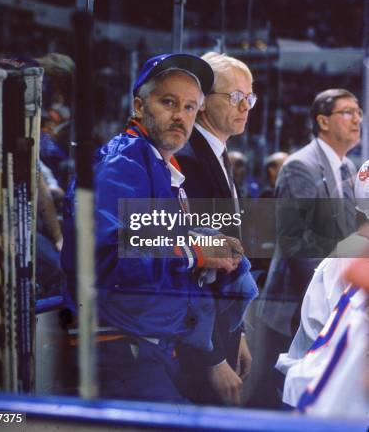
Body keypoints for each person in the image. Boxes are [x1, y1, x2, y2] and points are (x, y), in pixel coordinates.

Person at [61, 52, 258, 403]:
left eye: (189, 107)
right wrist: (197, 250)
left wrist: (204, 246)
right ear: (139, 105)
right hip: (121, 348)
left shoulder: (157, 165)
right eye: (168, 102)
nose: (179, 116)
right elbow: (114, 248)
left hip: (150, 347)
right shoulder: (122, 163)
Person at [251, 88, 361, 408]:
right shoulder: (300, 166)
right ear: (323, 121)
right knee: (275, 397)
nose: (357, 119)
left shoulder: (348, 168)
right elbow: (296, 242)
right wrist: (332, 293)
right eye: (348, 112)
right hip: (294, 306)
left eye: (359, 113)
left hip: (327, 304)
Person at [176, 52, 257, 405]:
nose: (245, 106)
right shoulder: (187, 158)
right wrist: (212, 357)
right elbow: (191, 270)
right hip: (199, 348)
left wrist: (236, 332)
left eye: (249, 97)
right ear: (204, 102)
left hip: (221, 334)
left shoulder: (217, 152)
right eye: (235, 97)